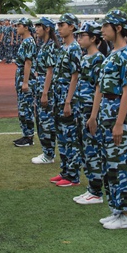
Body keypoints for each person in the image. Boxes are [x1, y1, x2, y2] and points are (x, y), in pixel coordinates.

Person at [87, 9, 127, 230]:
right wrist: (93, 115)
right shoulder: (112, 54)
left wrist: (119, 123)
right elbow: (100, 87)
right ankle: (116, 210)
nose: (102, 30)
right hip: (107, 112)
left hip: (118, 113)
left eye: (105, 26)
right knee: (111, 165)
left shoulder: (126, 55)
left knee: (123, 164)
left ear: (118, 28)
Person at [72, 21, 106, 205]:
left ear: (94, 38)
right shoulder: (85, 58)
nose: (79, 38)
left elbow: (99, 88)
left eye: (83, 35)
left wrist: (93, 116)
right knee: (85, 149)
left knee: (93, 150)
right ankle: (91, 188)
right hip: (81, 108)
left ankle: (96, 191)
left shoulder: (99, 59)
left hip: (91, 111)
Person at [51, 13, 83, 187]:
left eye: (62, 24)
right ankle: (64, 170)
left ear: (72, 27)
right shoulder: (63, 48)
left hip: (67, 96)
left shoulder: (75, 48)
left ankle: (73, 175)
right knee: (62, 136)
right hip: (58, 95)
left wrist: (68, 101)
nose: (59, 28)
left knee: (70, 137)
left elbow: (75, 76)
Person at [30, 18, 60, 164]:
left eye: (39, 26)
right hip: (40, 84)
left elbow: (50, 72)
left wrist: (45, 93)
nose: (36, 29)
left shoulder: (50, 46)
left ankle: (49, 154)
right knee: (41, 120)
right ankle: (47, 152)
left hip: (46, 86)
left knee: (46, 121)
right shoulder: (44, 45)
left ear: (47, 29)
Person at [12, 17, 37, 148]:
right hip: (21, 75)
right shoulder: (26, 41)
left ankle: (29, 137)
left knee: (26, 107)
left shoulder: (29, 42)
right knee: (22, 107)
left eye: (19, 25)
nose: (17, 28)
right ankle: (25, 134)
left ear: (26, 27)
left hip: (25, 76)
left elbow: (28, 62)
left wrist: (25, 82)